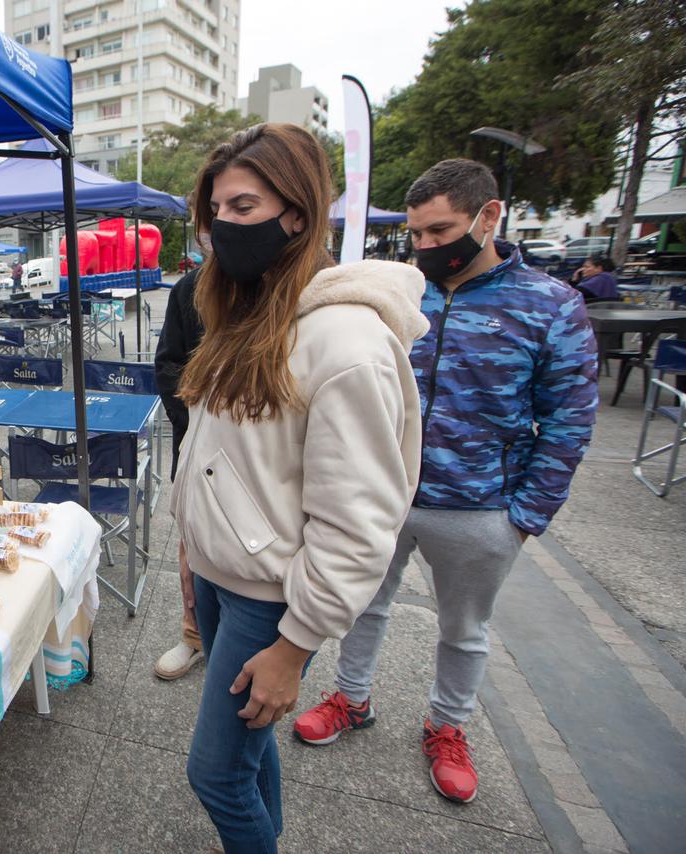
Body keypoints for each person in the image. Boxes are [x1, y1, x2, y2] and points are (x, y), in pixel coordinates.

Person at [293, 158, 599, 804]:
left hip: (480, 508)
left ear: (489, 217)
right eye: (418, 236)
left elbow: (570, 419)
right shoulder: (404, 293)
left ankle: (447, 725)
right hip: (386, 494)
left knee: (464, 629)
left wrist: (522, 519)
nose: (428, 247)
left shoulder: (550, 305)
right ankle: (351, 697)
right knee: (362, 604)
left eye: (441, 231)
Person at [171, 123, 427, 853]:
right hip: (225, 579)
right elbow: (231, 457)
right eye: (216, 211)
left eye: (244, 207)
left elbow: (358, 522)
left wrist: (295, 645)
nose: (224, 227)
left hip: (271, 598)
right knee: (251, 752)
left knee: (215, 774)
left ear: (299, 214)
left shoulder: (347, 344)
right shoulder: (246, 311)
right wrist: (196, 547)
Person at [152, 241, 206, 681]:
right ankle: (194, 637)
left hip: (264, 468)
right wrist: (198, 420)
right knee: (191, 554)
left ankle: (244, 645)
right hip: (196, 450)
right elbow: (168, 364)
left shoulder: (280, 290)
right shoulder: (187, 290)